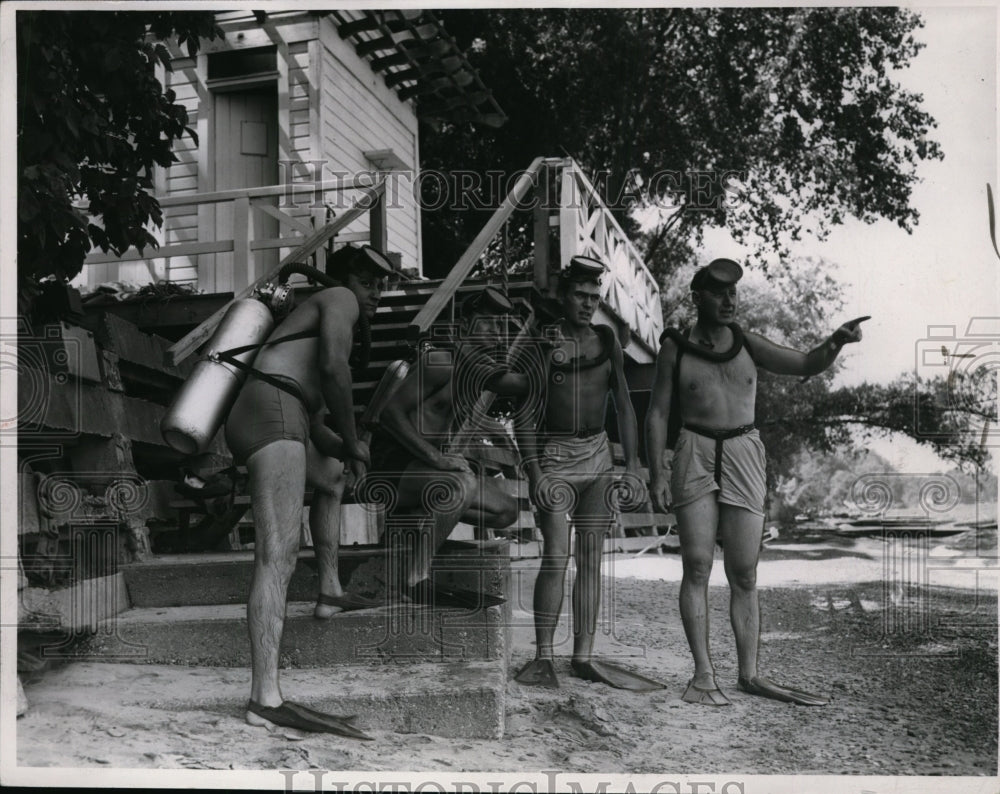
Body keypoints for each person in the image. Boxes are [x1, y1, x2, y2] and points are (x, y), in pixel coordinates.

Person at [644, 257, 867, 706]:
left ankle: (750, 674)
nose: (729, 301)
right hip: (695, 450)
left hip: (744, 450)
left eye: (734, 293)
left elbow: (805, 362)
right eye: (719, 293)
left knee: (744, 571)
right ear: (698, 297)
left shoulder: (747, 343)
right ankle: (704, 674)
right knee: (698, 565)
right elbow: (658, 414)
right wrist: (656, 473)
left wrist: (835, 342)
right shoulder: (676, 348)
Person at [223, 243, 394, 737]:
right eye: (368, 281)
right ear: (342, 281)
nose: (377, 291)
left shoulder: (309, 323)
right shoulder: (336, 298)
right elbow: (334, 371)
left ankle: (329, 589)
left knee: (332, 479)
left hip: (285, 410)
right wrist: (356, 436)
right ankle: (264, 698)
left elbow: (317, 426)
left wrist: (347, 447)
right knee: (277, 554)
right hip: (272, 411)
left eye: (382, 284)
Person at [513, 256, 661, 691]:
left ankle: (584, 655)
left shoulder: (606, 339)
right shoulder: (543, 343)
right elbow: (524, 415)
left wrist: (632, 465)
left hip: (598, 456)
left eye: (594, 297)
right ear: (563, 295)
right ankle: (543, 657)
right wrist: (535, 472)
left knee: (592, 558)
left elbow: (624, 405)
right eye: (580, 295)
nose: (587, 304)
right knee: (556, 555)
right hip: (555, 457)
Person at [366, 286, 525, 607]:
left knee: (507, 509)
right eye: (488, 322)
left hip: (426, 472)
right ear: (466, 323)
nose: (496, 332)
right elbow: (389, 415)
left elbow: (522, 384)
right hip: (393, 467)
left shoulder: (475, 375)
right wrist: (438, 459)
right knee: (459, 483)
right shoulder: (441, 360)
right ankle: (415, 578)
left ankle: (425, 524)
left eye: (501, 326)